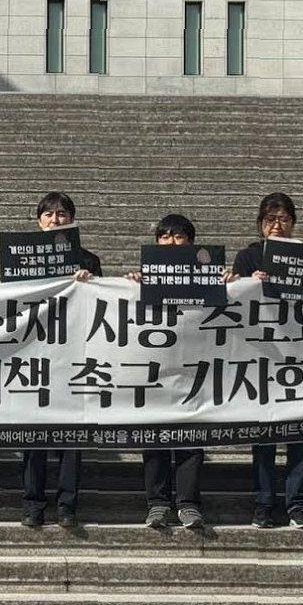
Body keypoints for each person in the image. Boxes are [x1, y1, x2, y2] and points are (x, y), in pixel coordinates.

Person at [229, 192, 303, 530]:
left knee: (301, 435)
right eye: (270, 219)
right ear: (260, 224)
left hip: (301, 353)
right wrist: (246, 283)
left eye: (283, 219)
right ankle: (264, 504)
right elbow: (235, 300)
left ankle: (297, 504)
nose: (277, 225)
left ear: (293, 223)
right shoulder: (248, 256)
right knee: (264, 436)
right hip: (262, 356)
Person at [20, 191, 100, 528]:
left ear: (72, 219)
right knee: (32, 435)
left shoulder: (88, 259)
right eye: (49, 214)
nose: (56, 220)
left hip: (73, 356)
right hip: (33, 354)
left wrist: (89, 284)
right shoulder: (21, 256)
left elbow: (103, 304)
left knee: (71, 435)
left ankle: (67, 505)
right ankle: (33, 504)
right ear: (38, 221)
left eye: (62, 214)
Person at [125, 213, 206, 530]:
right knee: (155, 434)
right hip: (155, 367)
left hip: (193, 367)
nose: (172, 242)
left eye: (179, 236)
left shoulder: (205, 278)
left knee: (191, 436)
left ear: (191, 243)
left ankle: (188, 503)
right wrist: (130, 284)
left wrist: (229, 283)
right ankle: (157, 502)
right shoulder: (143, 278)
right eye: (165, 236)